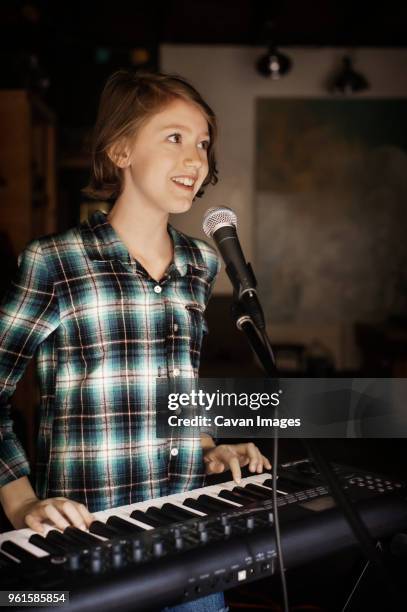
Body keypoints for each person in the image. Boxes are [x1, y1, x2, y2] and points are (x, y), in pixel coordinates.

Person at [0, 70, 271, 611]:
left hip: (193, 539)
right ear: (120, 149)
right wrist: (20, 502)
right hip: (87, 548)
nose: (196, 160)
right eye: (174, 138)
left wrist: (210, 447)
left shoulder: (202, 262)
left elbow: (180, 385)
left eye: (202, 144)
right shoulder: (55, 262)